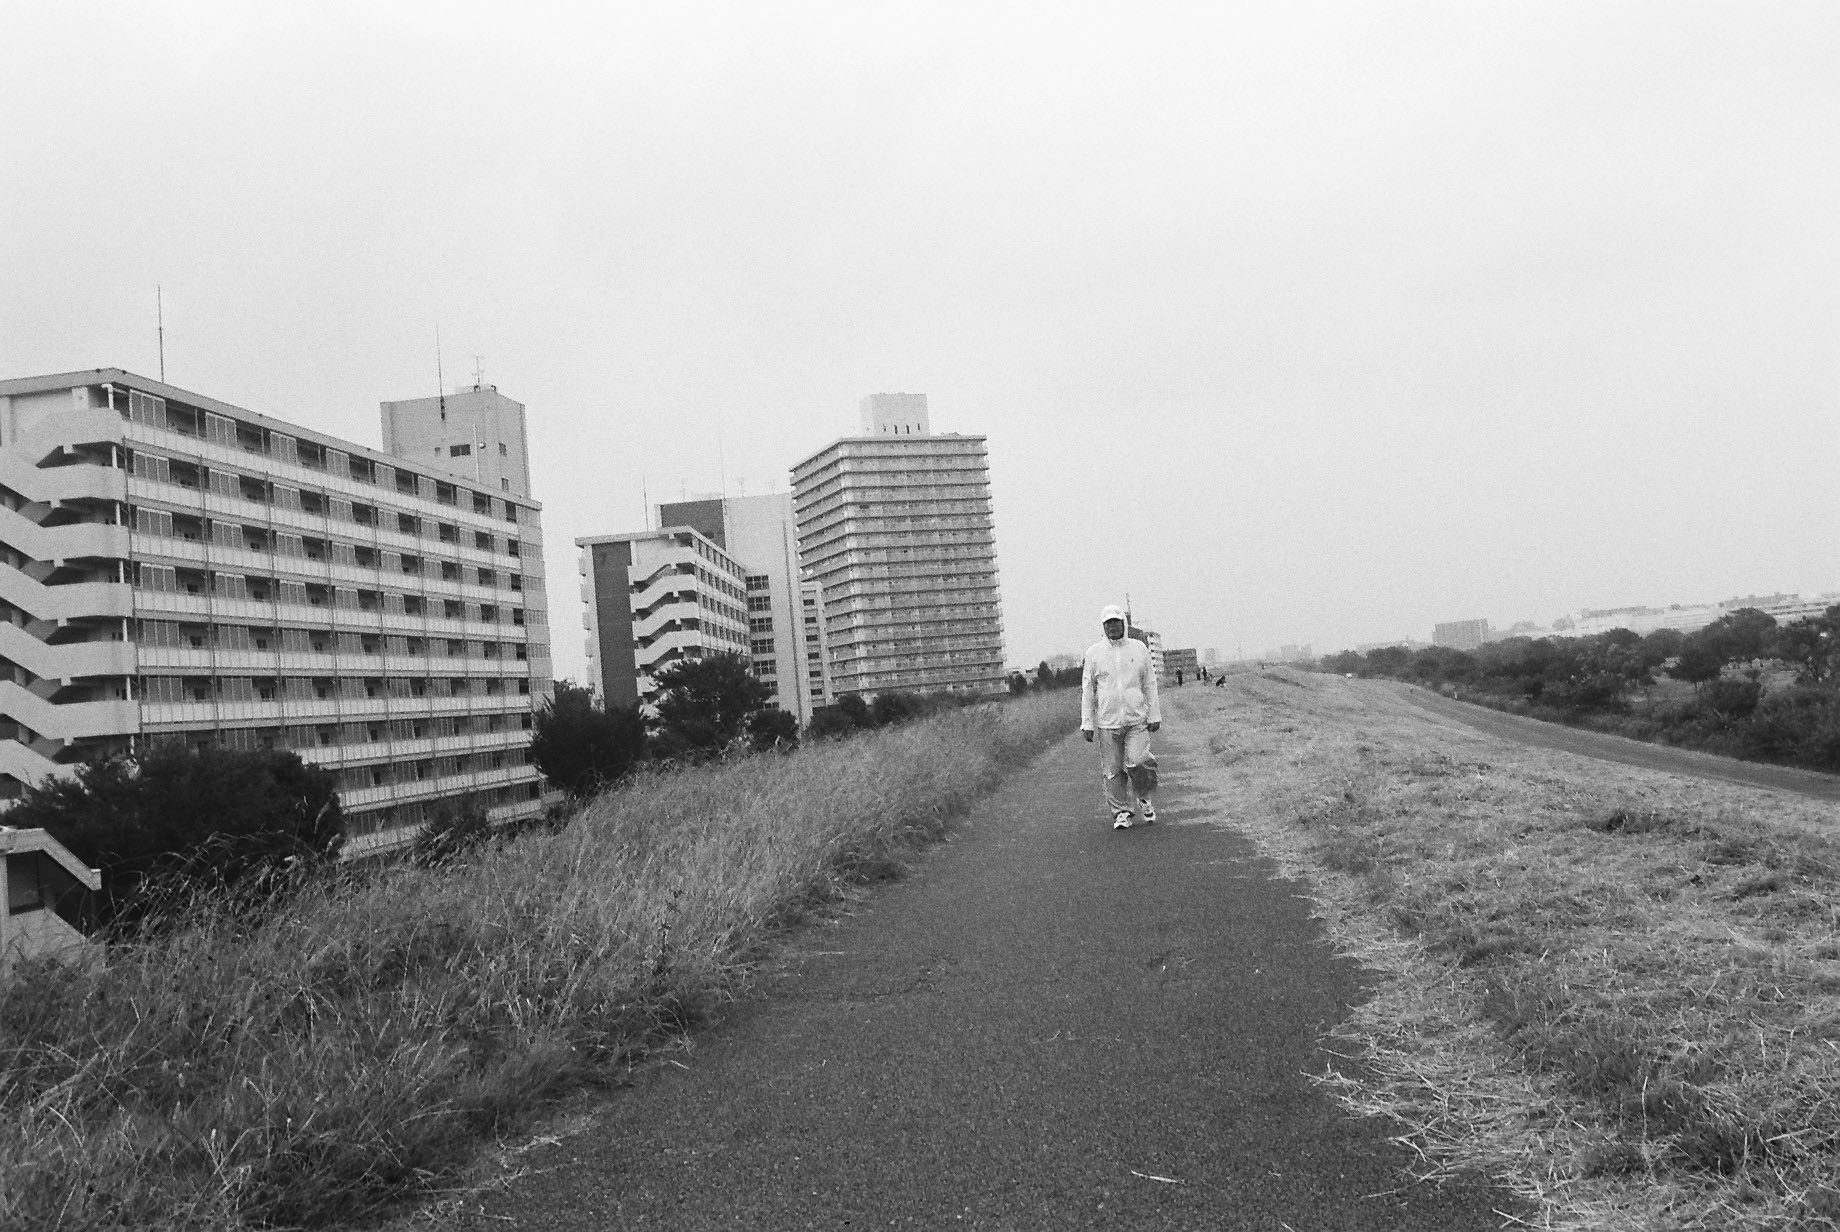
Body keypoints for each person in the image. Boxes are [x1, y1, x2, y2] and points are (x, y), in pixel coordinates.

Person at [1081, 604, 1161, 830]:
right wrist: (1087, 722)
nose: (1112, 627)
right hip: (1108, 722)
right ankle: (1121, 813)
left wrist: (1154, 714)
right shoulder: (1094, 653)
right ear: (1103, 626)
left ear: (1123, 624)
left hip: (1137, 719)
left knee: (1138, 761)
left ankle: (1144, 796)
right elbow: (1088, 689)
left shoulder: (1139, 649)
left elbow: (1149, 683)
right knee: (1113, 771)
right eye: (1108, 623)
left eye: (1116, 622)